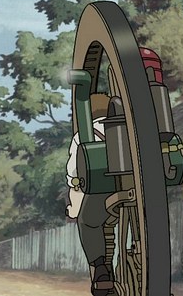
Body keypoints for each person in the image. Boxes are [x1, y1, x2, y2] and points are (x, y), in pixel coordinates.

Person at [66, 92, 114, 296]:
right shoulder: (131, 129)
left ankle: (101, 269)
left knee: (88, 222)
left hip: (103, 191)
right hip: (139, 189)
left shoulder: (82, 136)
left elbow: (73, 173)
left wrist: (75, 187)